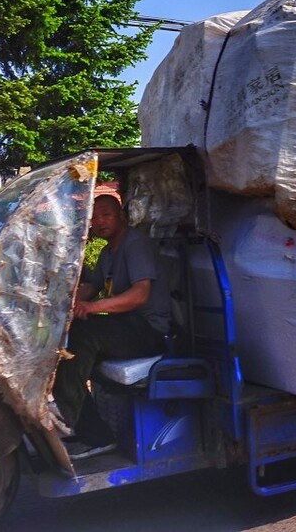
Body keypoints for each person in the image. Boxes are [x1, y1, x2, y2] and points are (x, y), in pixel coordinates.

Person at [53, 193, 170, 460]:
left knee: (84, 333)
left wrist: (92, 308)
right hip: (126, 327)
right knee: (70, 346)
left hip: (149, 330)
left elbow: (141, 294)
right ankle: (88, 427)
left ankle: (95, 436)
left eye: (106, 214)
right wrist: (59, 307)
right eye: (94, 217)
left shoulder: (135, 245)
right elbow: (91, 287)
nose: (99, 221)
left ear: (121, 217)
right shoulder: (108, 252)